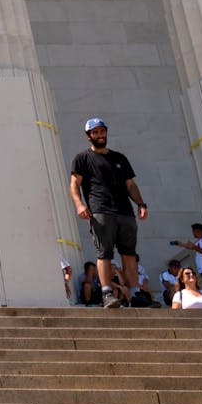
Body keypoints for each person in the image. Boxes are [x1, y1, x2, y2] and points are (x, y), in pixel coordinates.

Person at [70, 117, 148, 309]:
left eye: (102, 131)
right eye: (95, 132)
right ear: (88, 136)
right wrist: (79, 204)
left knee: (129, 254)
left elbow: (130, 185)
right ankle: (106, 293)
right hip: (100, 210)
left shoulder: (119, 158)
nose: (99, 135)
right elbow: (74, 185)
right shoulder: (82, 158)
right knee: (104, 253)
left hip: (125, 212)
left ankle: (136, 294)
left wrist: (140, 203)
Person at [176, 224, 202, 297]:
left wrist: (194, 247)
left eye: (193, 232)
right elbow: (192, 247)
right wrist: (182, 244)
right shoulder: (200, 241)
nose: (193, 234)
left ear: (198, 231)